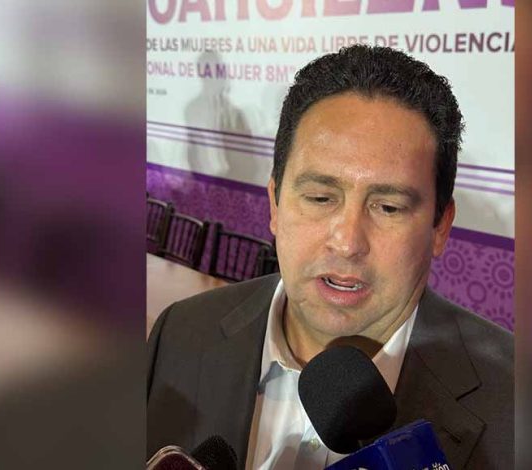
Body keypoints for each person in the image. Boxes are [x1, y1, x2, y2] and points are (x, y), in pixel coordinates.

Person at [147, 45, 513, 469]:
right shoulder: (179, 332)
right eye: (320, 198)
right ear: (275, 204)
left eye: (388, 207)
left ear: (440, 227)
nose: (347, 242)